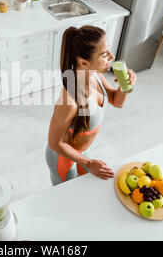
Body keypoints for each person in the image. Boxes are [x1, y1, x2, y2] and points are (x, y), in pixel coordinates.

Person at [45, 25, 136, 186]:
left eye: (108, 51)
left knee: (87, 188)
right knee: (67, 197)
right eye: (104, 54)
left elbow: (117, 101)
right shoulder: (69, 101)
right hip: (63, 158)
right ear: (84, 62)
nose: (112, 56)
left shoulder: (96, 77)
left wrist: (125, 87)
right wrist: (87, 163)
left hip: (83, 152)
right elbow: (54, 143)